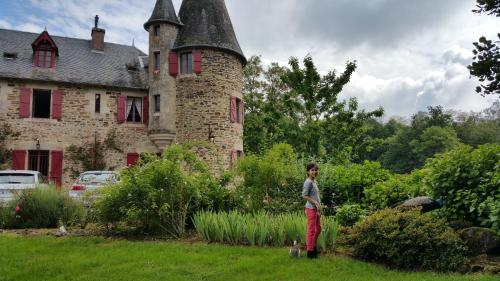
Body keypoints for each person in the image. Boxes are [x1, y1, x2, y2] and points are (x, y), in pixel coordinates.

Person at [301, 163, 321, 259]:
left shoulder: (314, 181)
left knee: (318, 229)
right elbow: (304, 195)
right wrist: (315, 202)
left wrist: (319, 205)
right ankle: (310, 251)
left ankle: (313, 246)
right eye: (312, 170)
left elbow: (316, 195)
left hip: (316, 209)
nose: (314, 172)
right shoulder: (308, 182)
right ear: (308, 171)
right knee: (311, 230)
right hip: (310, 209)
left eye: (315, 170)